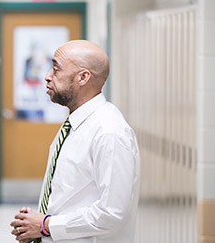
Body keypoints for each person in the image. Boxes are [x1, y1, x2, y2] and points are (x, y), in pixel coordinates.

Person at [10, 40, 140, 243]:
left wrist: (46, 225)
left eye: (55, 69)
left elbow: (112, 213)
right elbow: (70, 197)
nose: (47, 76)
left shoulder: (109, 132)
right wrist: (38, 228)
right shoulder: (76, 124)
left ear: (83, 77)